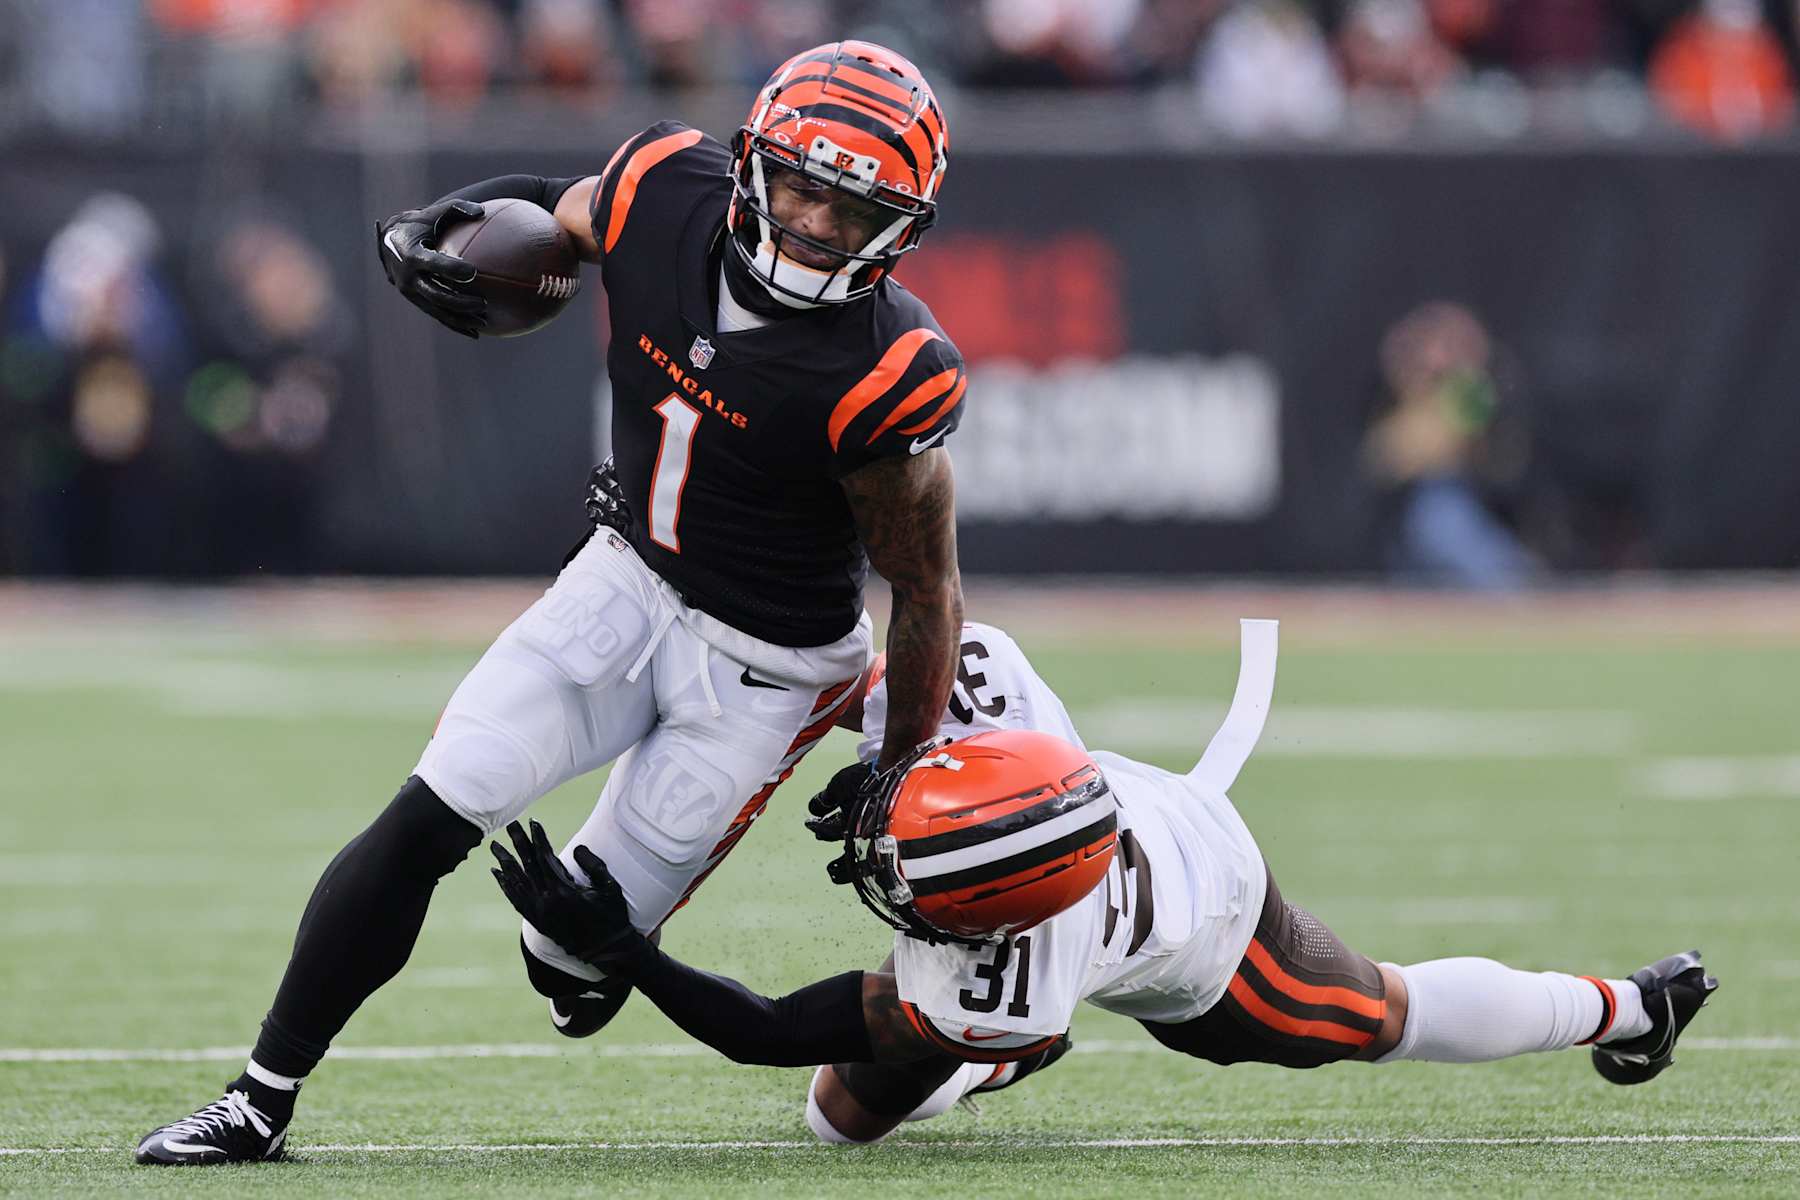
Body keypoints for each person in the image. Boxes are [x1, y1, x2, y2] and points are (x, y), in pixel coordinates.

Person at [135, 40, 966, 1165]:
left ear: (902, 226)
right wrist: (457, 218)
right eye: (802, 185)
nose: (818, 223)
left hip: (766, 670)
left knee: (567, 964)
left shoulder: (890, 367)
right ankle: (258, 1098)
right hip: (624, 579)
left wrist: (897, 766)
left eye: (854, 208)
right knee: (431, 810)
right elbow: (559, 213)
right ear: (750, 164)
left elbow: (923, 585)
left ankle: (614, 962)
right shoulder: (660, 189)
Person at [488, 620, 1719, 1145]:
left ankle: (1624, 1009)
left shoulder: (998, 977)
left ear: (969, 922)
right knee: (853, 1105)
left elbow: (763, 1031)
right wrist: (873, 759)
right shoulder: (988, 682)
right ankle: (1628, 1009)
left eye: (902, 873)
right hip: (1112, 832)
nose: (876, 868)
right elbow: (848, 645)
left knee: (1373, 1016)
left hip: (1209, 926)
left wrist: (629, 950)